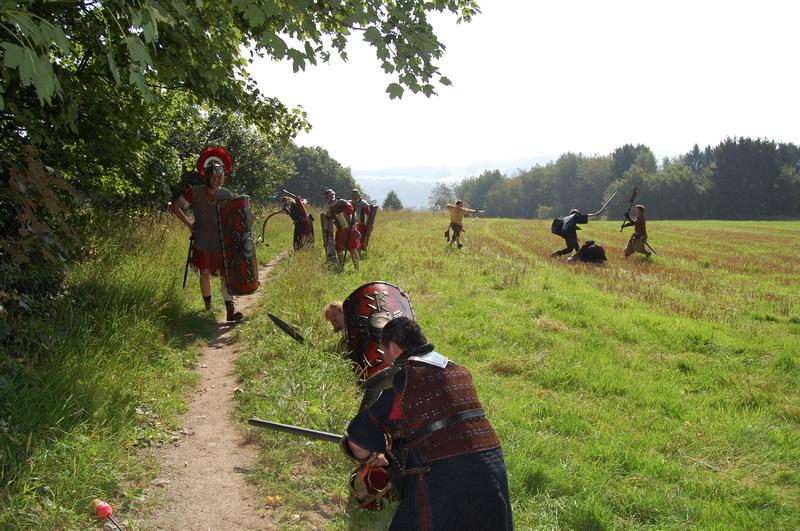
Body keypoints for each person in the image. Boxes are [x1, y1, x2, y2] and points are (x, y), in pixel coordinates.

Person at [343, 317, 513, 530]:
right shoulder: (459, 371)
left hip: (444, 477)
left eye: (384, 351)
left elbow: (357, 441)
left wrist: (373, 458)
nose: (385, 358)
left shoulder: (401, 377)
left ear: (394, 347)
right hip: (492, 468)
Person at [170, 148, 243, 321]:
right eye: (214, 176)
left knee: (225, 274)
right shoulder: (194, 192)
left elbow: (233, 218)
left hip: (222, 240)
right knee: (204, 273)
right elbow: (175, 206)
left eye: (220, 177)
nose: (217, 180)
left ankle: (230, 310)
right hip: (202, 239)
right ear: (207, 176)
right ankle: (208, 308)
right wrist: (189, 225)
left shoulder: (226, 194)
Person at [324, 188, 360, 271]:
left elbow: (352, 215)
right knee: (339, 249)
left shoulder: (343, 203)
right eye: (328, 197)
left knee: (352, 249)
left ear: (335, 195)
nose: (331, 197)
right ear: (326, 199)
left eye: (332, 195)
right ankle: (341, 267)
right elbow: (329, 220)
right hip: (340, 231)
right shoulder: (330, 209)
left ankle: (357, 269)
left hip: (349, 229)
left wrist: (354, 229)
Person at [351, 188, 371, 254]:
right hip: (352, 225)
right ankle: (355, 254)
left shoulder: (363, 203)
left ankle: (358, 255)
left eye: (356, 195)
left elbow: (368, 214)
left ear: (358, 195)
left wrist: (369, 225)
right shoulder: (350, 203)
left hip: (360, 225)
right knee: (353, 240)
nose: (354, 196)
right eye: (353, 195)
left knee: (359, 240)